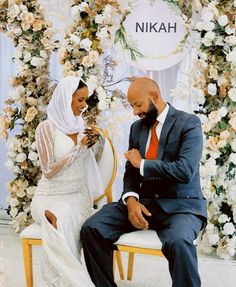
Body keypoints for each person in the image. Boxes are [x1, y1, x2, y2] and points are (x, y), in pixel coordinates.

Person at [81, 76, 207, 287]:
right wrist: (130, 200)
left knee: (179, 241)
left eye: (137, 105)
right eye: (131, 106)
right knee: (92, 228)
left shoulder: (189, 123)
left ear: (154, 96)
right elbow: (131, 172)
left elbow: (185, 171)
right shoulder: (137, 129)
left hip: (181, 208)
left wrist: (142, 163)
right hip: (144, 203)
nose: (134, 112)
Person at [31, 76, 104, 286]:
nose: (84, 105)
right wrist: (79, 148)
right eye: (79, 100)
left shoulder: (81, 126)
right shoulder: (46, 128)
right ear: (65, 98)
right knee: (57, 218)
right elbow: (47, 170)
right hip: (50, 195)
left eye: (85, 100)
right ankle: (69, 282)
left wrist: (97, 144)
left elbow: (91, 163)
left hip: (78, 195)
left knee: (69, 218)